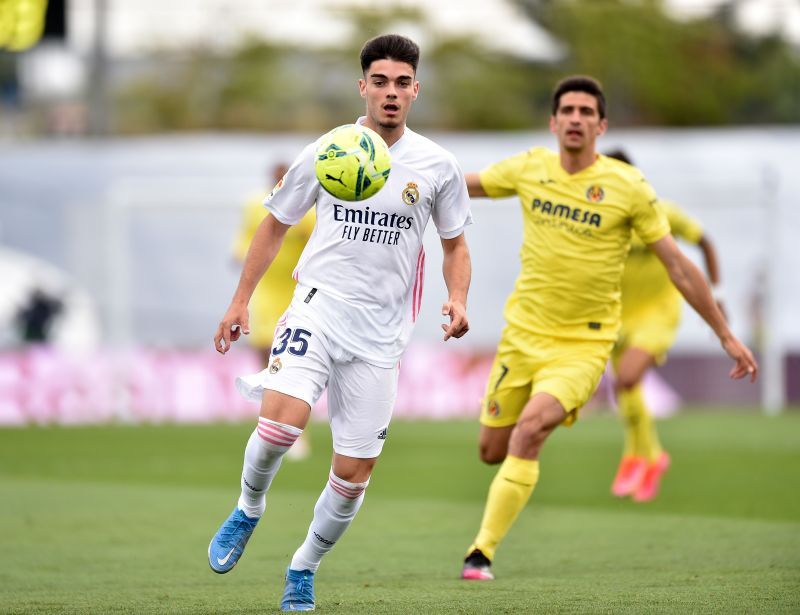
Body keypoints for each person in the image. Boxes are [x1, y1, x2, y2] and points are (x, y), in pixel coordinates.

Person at [208, 34, 473, 611]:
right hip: (318, 306)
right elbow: (276, 222)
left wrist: (457, 298)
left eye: (402, 83)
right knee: (280, 426)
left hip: (381, 334)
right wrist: (240, 301)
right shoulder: (330, 149)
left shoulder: (437, 166)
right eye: (380, 81)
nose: (391, 93)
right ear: (363, 87)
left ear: (415, 90)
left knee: (353, 473)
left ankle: (302, 568)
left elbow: (454, 245)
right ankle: (248, 509)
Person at [459, 75, 758, 582]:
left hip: (585, 343)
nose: (576, 118)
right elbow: (458, 185)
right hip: (522, 337)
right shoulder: (529, 169)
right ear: (554, 122)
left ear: (601, 125)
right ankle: (565, 448)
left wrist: (725, 332)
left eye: (586, 111)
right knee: (492, 450)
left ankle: (480, 552)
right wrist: (397, 178)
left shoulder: (630, 188)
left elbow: (680, 265)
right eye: (567, 110)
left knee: (529, 432)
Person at [604, 148, 724, 502]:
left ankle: (641, 456)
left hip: (658, 312)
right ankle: (644, 457)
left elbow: (704, 242)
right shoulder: (598, 223)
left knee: (627, 377)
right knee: (624, 389)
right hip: (615, 315)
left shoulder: (660, 213)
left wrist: (717, 293)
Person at [233, 163, 316, 460]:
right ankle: (272, 426)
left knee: (291, 364)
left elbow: (316, 244)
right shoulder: (256, 206)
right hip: (266, 292)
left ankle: (295, 431)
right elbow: (243, 246)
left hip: (295, 291)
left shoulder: (308, 209)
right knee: (267, 360)